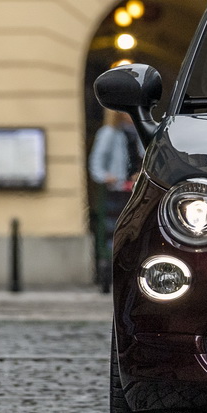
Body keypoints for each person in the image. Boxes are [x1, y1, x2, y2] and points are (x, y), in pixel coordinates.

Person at [89, 108, 139, 288]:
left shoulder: (138, 133)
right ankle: (110, 269)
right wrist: (106, 176)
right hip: (116, 191)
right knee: (113, 230)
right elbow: (96, 164)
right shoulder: (109, 133)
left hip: (133, 190)